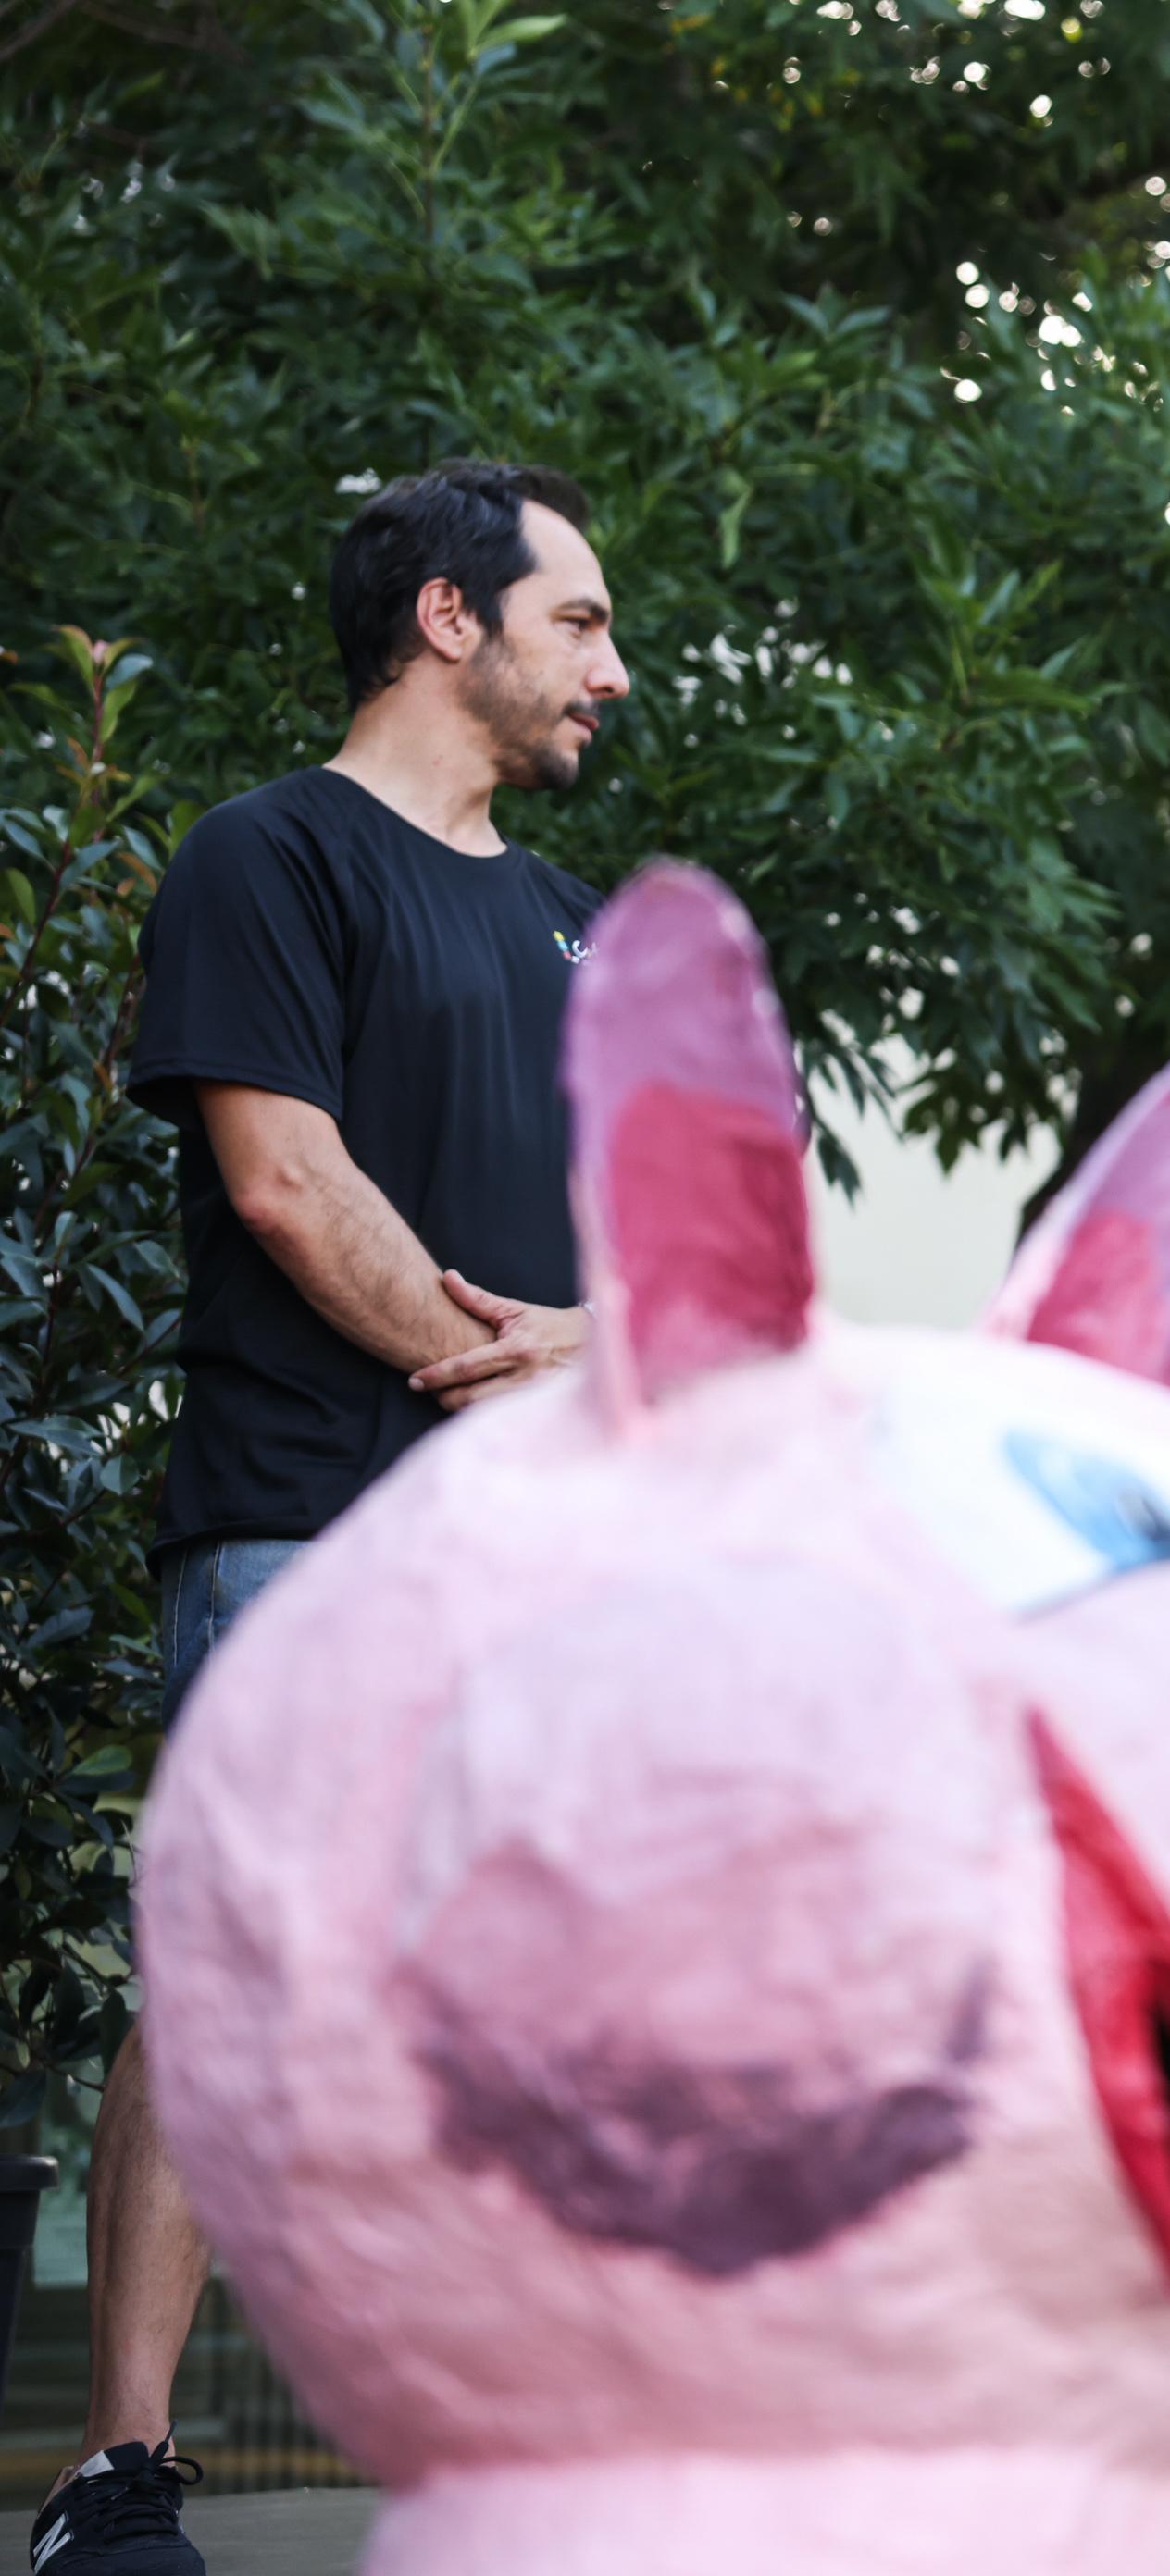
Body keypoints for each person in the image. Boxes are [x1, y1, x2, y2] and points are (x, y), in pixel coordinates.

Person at [42, 460, 625, 2576]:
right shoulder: (267, 857)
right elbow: (286, 1181)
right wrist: (510, 1369)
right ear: (451, 619)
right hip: (313, 1511)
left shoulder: (576, 917)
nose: (612, 671)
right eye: (580, 622)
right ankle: (116, 2481)